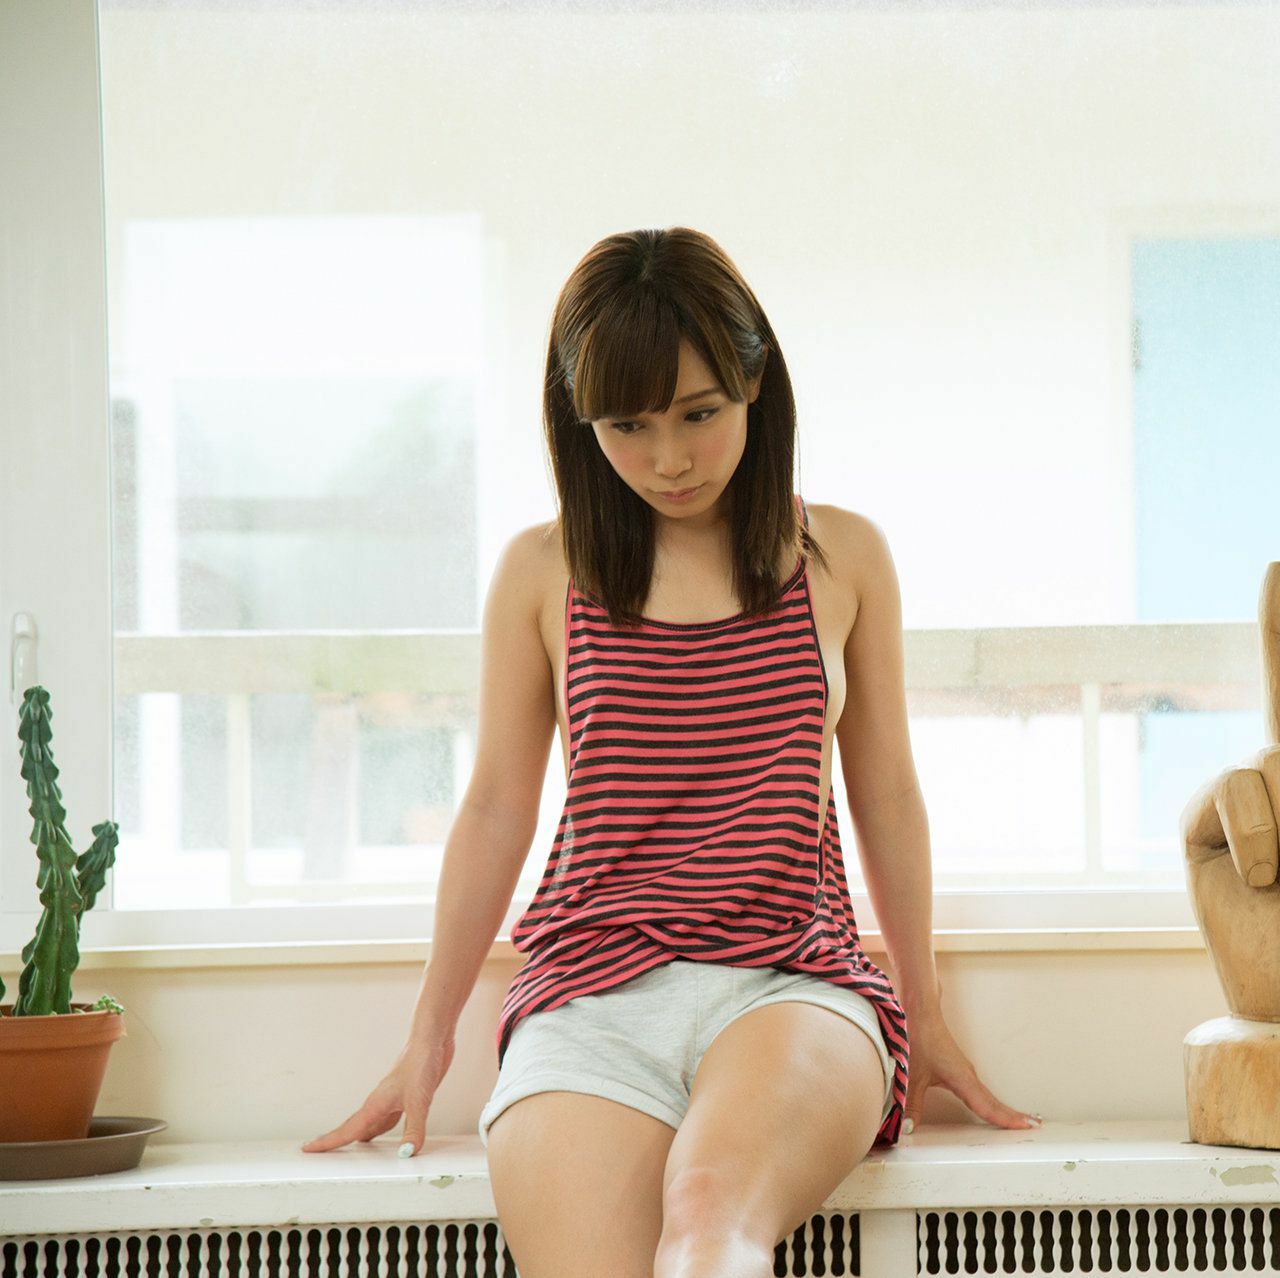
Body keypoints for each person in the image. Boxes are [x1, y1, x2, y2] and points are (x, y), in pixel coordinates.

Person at [301, 227, 1039, 1276]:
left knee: (707, 1216)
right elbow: (497, 807)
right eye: (628, 426)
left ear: (755, 384)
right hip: (589, 997)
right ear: (580, 418)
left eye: (699, 413)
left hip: (795, 983)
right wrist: (430, 1035)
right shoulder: (542, 572)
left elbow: (886, 794)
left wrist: (925, 1013)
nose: (670, 460)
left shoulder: (841, 556)